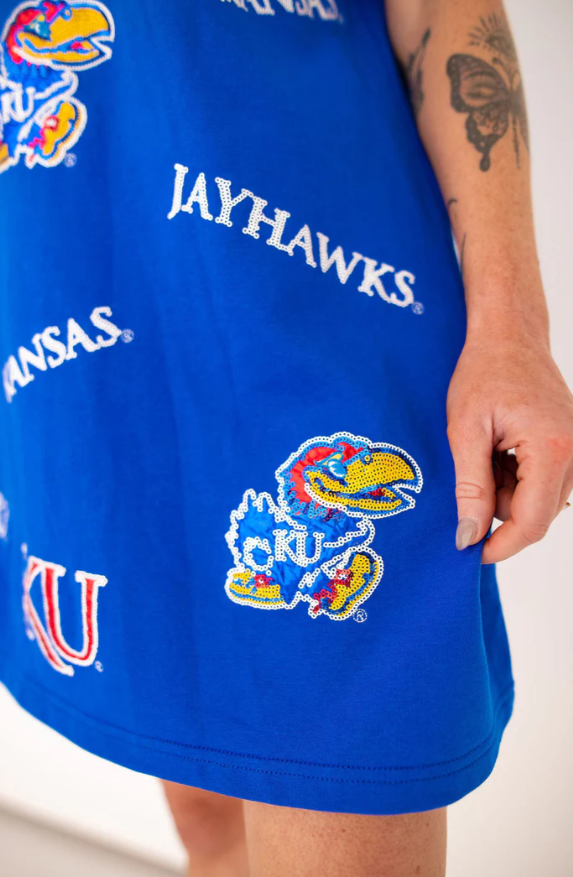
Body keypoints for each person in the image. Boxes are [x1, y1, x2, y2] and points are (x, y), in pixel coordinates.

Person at [0, 0, 571, 875]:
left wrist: (513, 327)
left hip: (320, 278)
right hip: (81, 272)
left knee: (339, 764)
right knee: (209, 807)